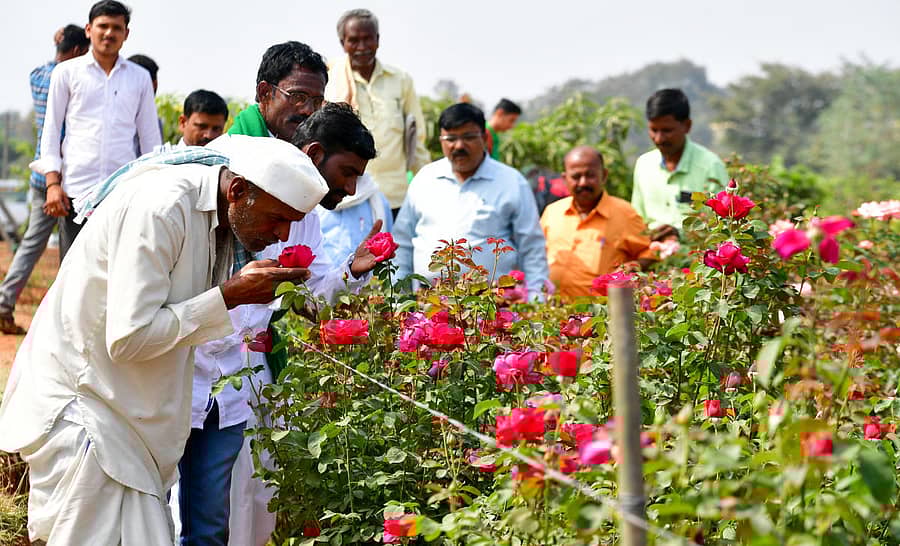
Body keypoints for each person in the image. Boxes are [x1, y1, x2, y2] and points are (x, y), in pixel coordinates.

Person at [0, 135, 330, 545]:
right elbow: (128, 338)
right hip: (89, 411)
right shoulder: (162, 208)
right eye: (277, 219)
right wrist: (230, 295)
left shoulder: (216, 216)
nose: (281, 235)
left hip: (126, 418)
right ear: (239, 191)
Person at [179, 103, 378, 546]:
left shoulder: (308, 218)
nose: (349, 187)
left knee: (223, 513)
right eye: (346, 172)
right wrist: (232, 295)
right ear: (312, 153)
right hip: (181, 370)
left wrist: (353, 272)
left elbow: (310, 295)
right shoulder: (226, 187)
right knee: (163, 508)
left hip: (237, 378)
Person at [31, 0, 161, 261]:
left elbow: (150, 138)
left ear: (126, 34)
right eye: (103, 26)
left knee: (117, 270)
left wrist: (153, 188)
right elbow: (52, 131)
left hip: (122, 192)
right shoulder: (66, 73)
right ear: (89, 30)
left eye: (116, 27)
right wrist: (53, 184)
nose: (109, 33)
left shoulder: (139, 77)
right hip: (75, 192)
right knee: (73, 273)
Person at [393, 103, 549, 300]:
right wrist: (399, 300)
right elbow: (402, 242)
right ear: (441, 140)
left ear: (484, 138)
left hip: (492, 308)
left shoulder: (512, 182)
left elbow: (531, 247)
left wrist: (537, 300)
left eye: (468, 137)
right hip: (429, 307)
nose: (459, 146)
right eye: (450, 138)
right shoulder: (425, 179)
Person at [0, 25, 89, 335]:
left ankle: (4, 302)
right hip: (70, 178)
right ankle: (64, 320)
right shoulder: (72, 79)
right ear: (79, 52)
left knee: (30, 246)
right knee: (73, 251)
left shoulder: (38, 75)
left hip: (41, 179)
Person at [325, 8, 430, 217]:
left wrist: (427, 185)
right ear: (342, 43)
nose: (362, 47)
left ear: (378, 40)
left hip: (394, 197)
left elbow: (417, 139)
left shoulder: (400, 80)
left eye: (368, 39)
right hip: (347, 199)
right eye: (354, 40)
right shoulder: (330, 79)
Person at [540, 146, 654, 300]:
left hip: (600, 316)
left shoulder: (625, 213)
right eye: (576, 176)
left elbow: (649, 252)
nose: (583, 182)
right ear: (565, 178)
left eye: (590, 175)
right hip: (551, 313)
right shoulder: (552, 212)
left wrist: (630, 269)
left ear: (604, 175)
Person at [630, 88, 728, 240]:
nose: (659, 138)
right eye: (653, 130)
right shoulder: (643, 165)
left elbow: (723, 225)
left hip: (695, 258)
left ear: (687, 126)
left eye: (667, 130)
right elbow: (636, 220)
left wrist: (680, 233)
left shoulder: (711, 166)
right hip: (651, 256)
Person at [229, 41, 327, 141]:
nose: (309, 111)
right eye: (297, 97)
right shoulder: (225, 153)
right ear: (264, 93)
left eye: (317, 101)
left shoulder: (319, 151)